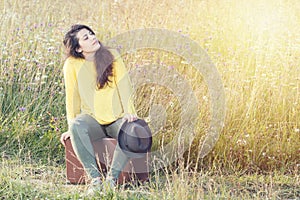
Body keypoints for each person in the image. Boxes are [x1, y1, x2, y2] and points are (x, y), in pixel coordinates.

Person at [59, 24, 148, 194]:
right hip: (92, 119)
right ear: (78, 48)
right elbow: (72, 98)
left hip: (117, 117)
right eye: (86, 37)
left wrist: (130, 112)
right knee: (78, 125)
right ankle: (95, 180)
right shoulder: (71, 64)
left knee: (131, 130)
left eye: (91, 34)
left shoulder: (112, 55)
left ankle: (111, 180)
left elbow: (124, 86)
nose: (93, 37)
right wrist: (71, 127)